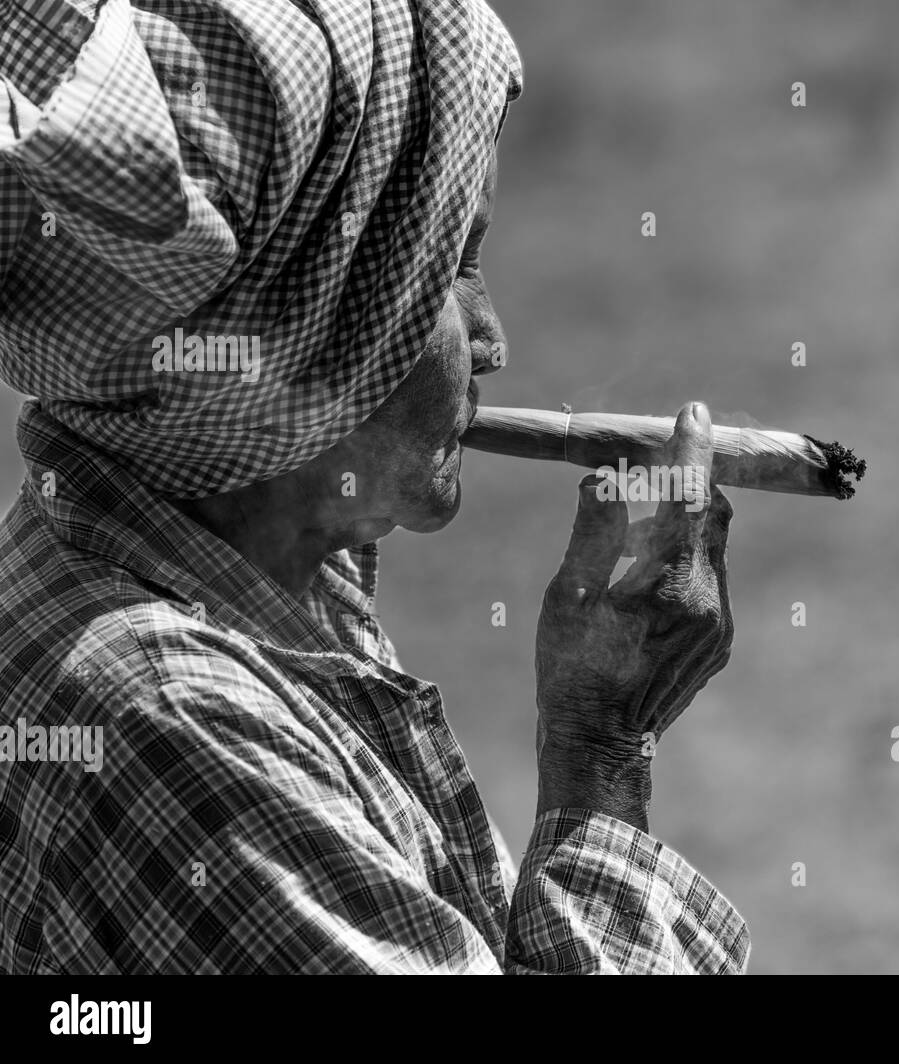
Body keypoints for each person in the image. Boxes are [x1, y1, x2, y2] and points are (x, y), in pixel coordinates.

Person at [0, 0, 747, 973]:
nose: (494, 340)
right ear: (327, 308)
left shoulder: (216, 560)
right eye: (457, 263)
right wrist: (598, 748)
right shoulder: (177, 718)